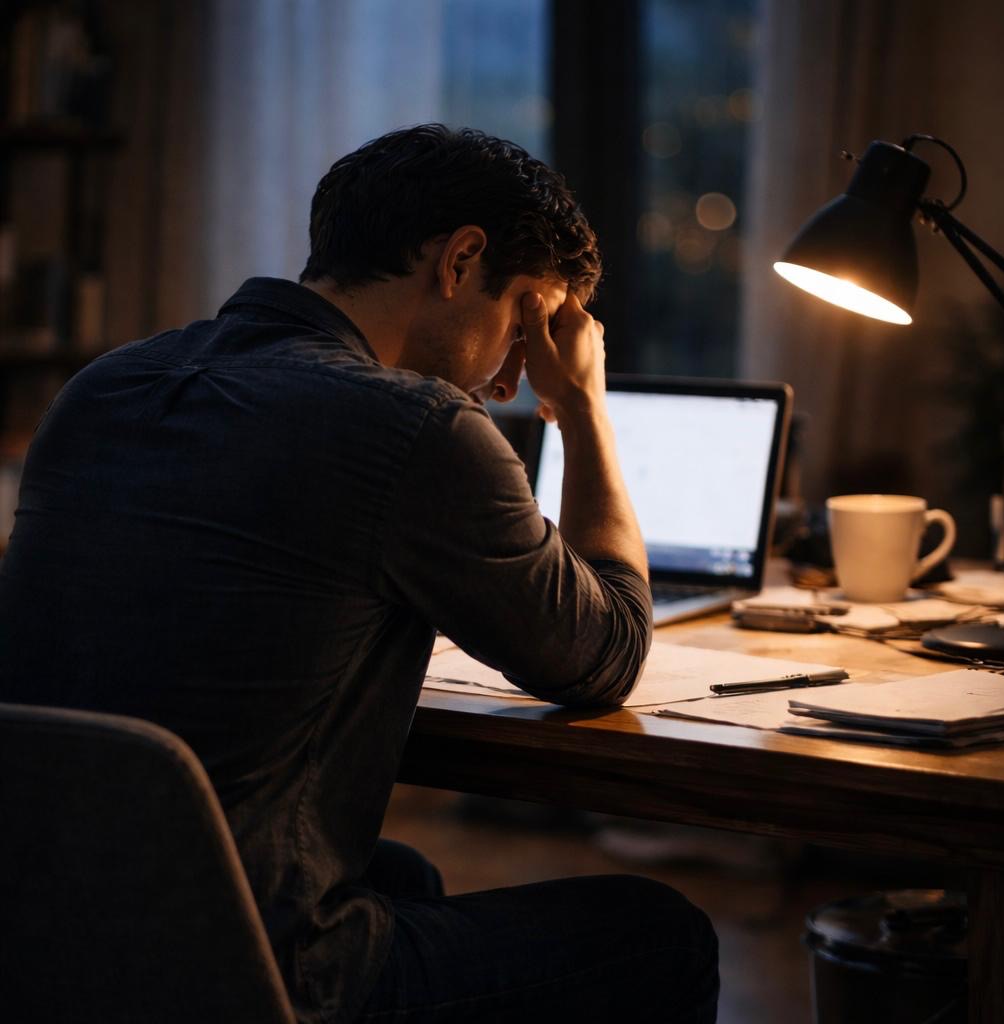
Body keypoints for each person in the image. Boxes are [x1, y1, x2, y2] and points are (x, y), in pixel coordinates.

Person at [0, 125, 718, 1022]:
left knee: (400, 874)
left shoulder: (105, 387)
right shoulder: (416, 428)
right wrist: (582, 410)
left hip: (41, 931)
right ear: (460, 261)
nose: (511, 381)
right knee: (661, 935)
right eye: (524, 324)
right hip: (241, 970)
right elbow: (606, 654)